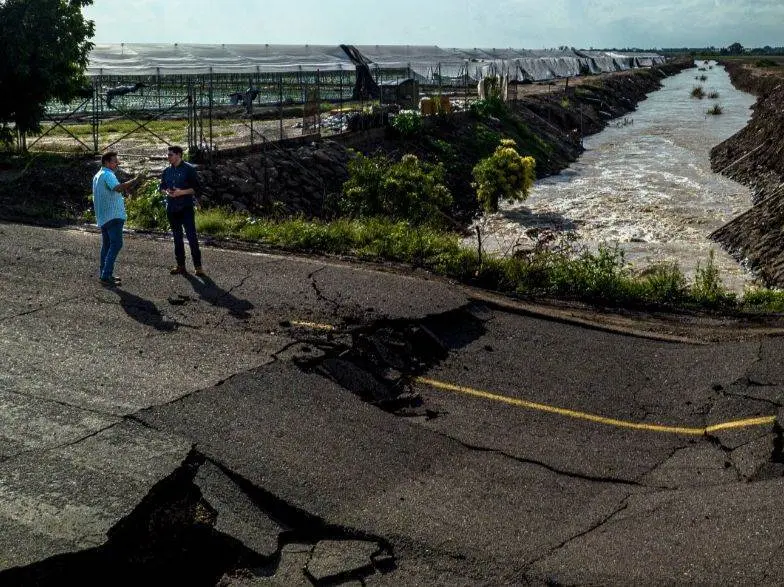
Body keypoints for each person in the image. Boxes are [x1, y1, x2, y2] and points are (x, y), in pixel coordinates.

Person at [92, 152, 138, 286]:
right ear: (107, 162)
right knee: (116, 244)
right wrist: (134, 181)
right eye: (114, 161)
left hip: (103, 216)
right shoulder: (107, 174)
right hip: (113, 215)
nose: (117, 164)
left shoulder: (97, 175)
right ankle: (106, 275)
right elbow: (117, 188)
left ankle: (104, 273)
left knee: (107, 245)